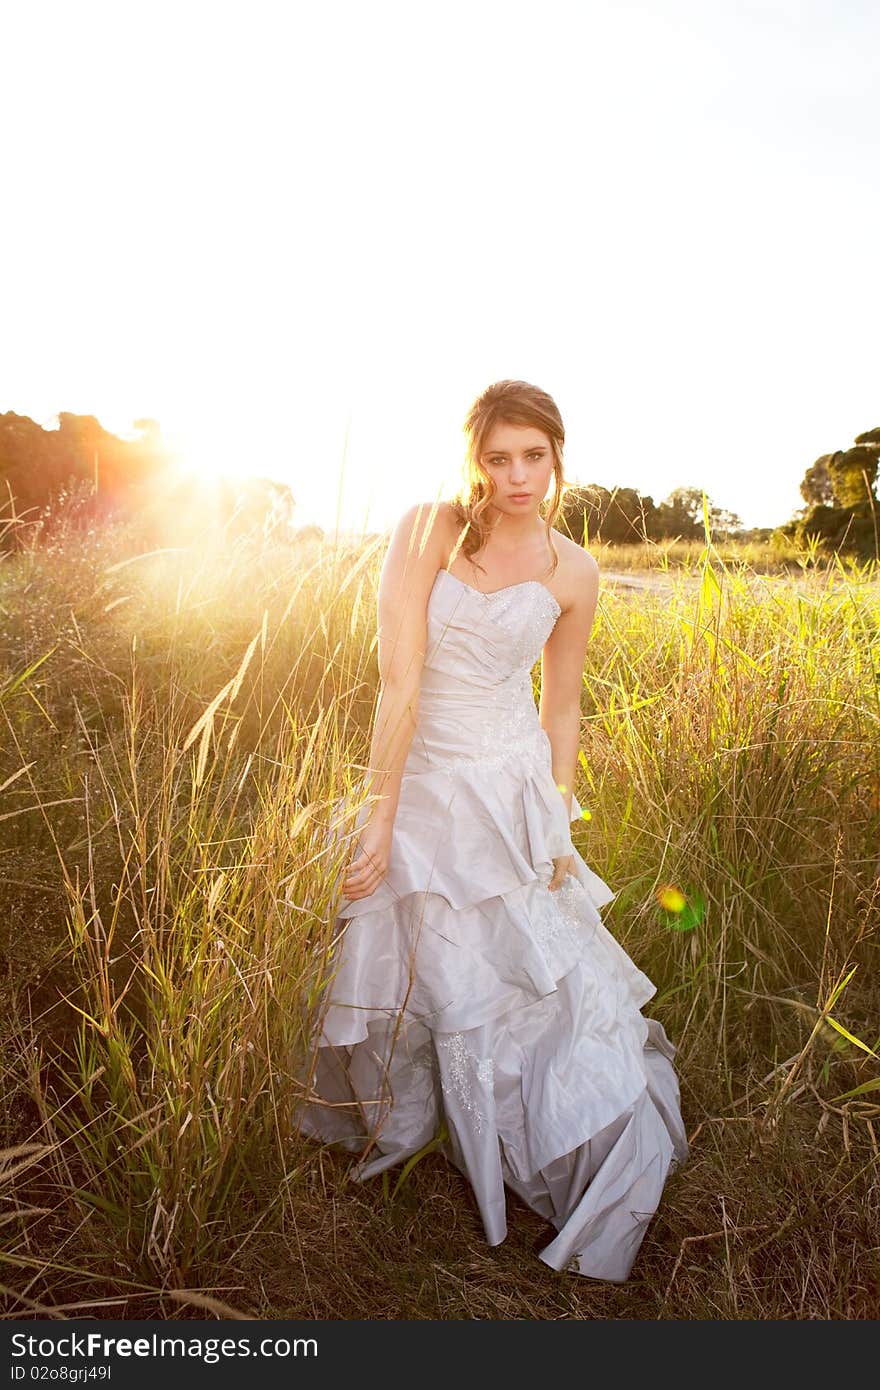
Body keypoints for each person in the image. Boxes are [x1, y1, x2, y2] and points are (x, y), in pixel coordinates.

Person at [296, 379, 688, 1283]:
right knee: (419, 952)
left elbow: (562, 707)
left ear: (558, 457)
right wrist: (383, 811)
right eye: (499, 458)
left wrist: (554, 817)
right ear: (475, 460)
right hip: (425, 766)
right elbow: (399, 681)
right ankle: (420, 1122)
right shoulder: (430, 528)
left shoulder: (573, 569)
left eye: (535, 457)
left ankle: (550, 1126)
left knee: (531, 971)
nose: (518, 476)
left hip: (509, 781)